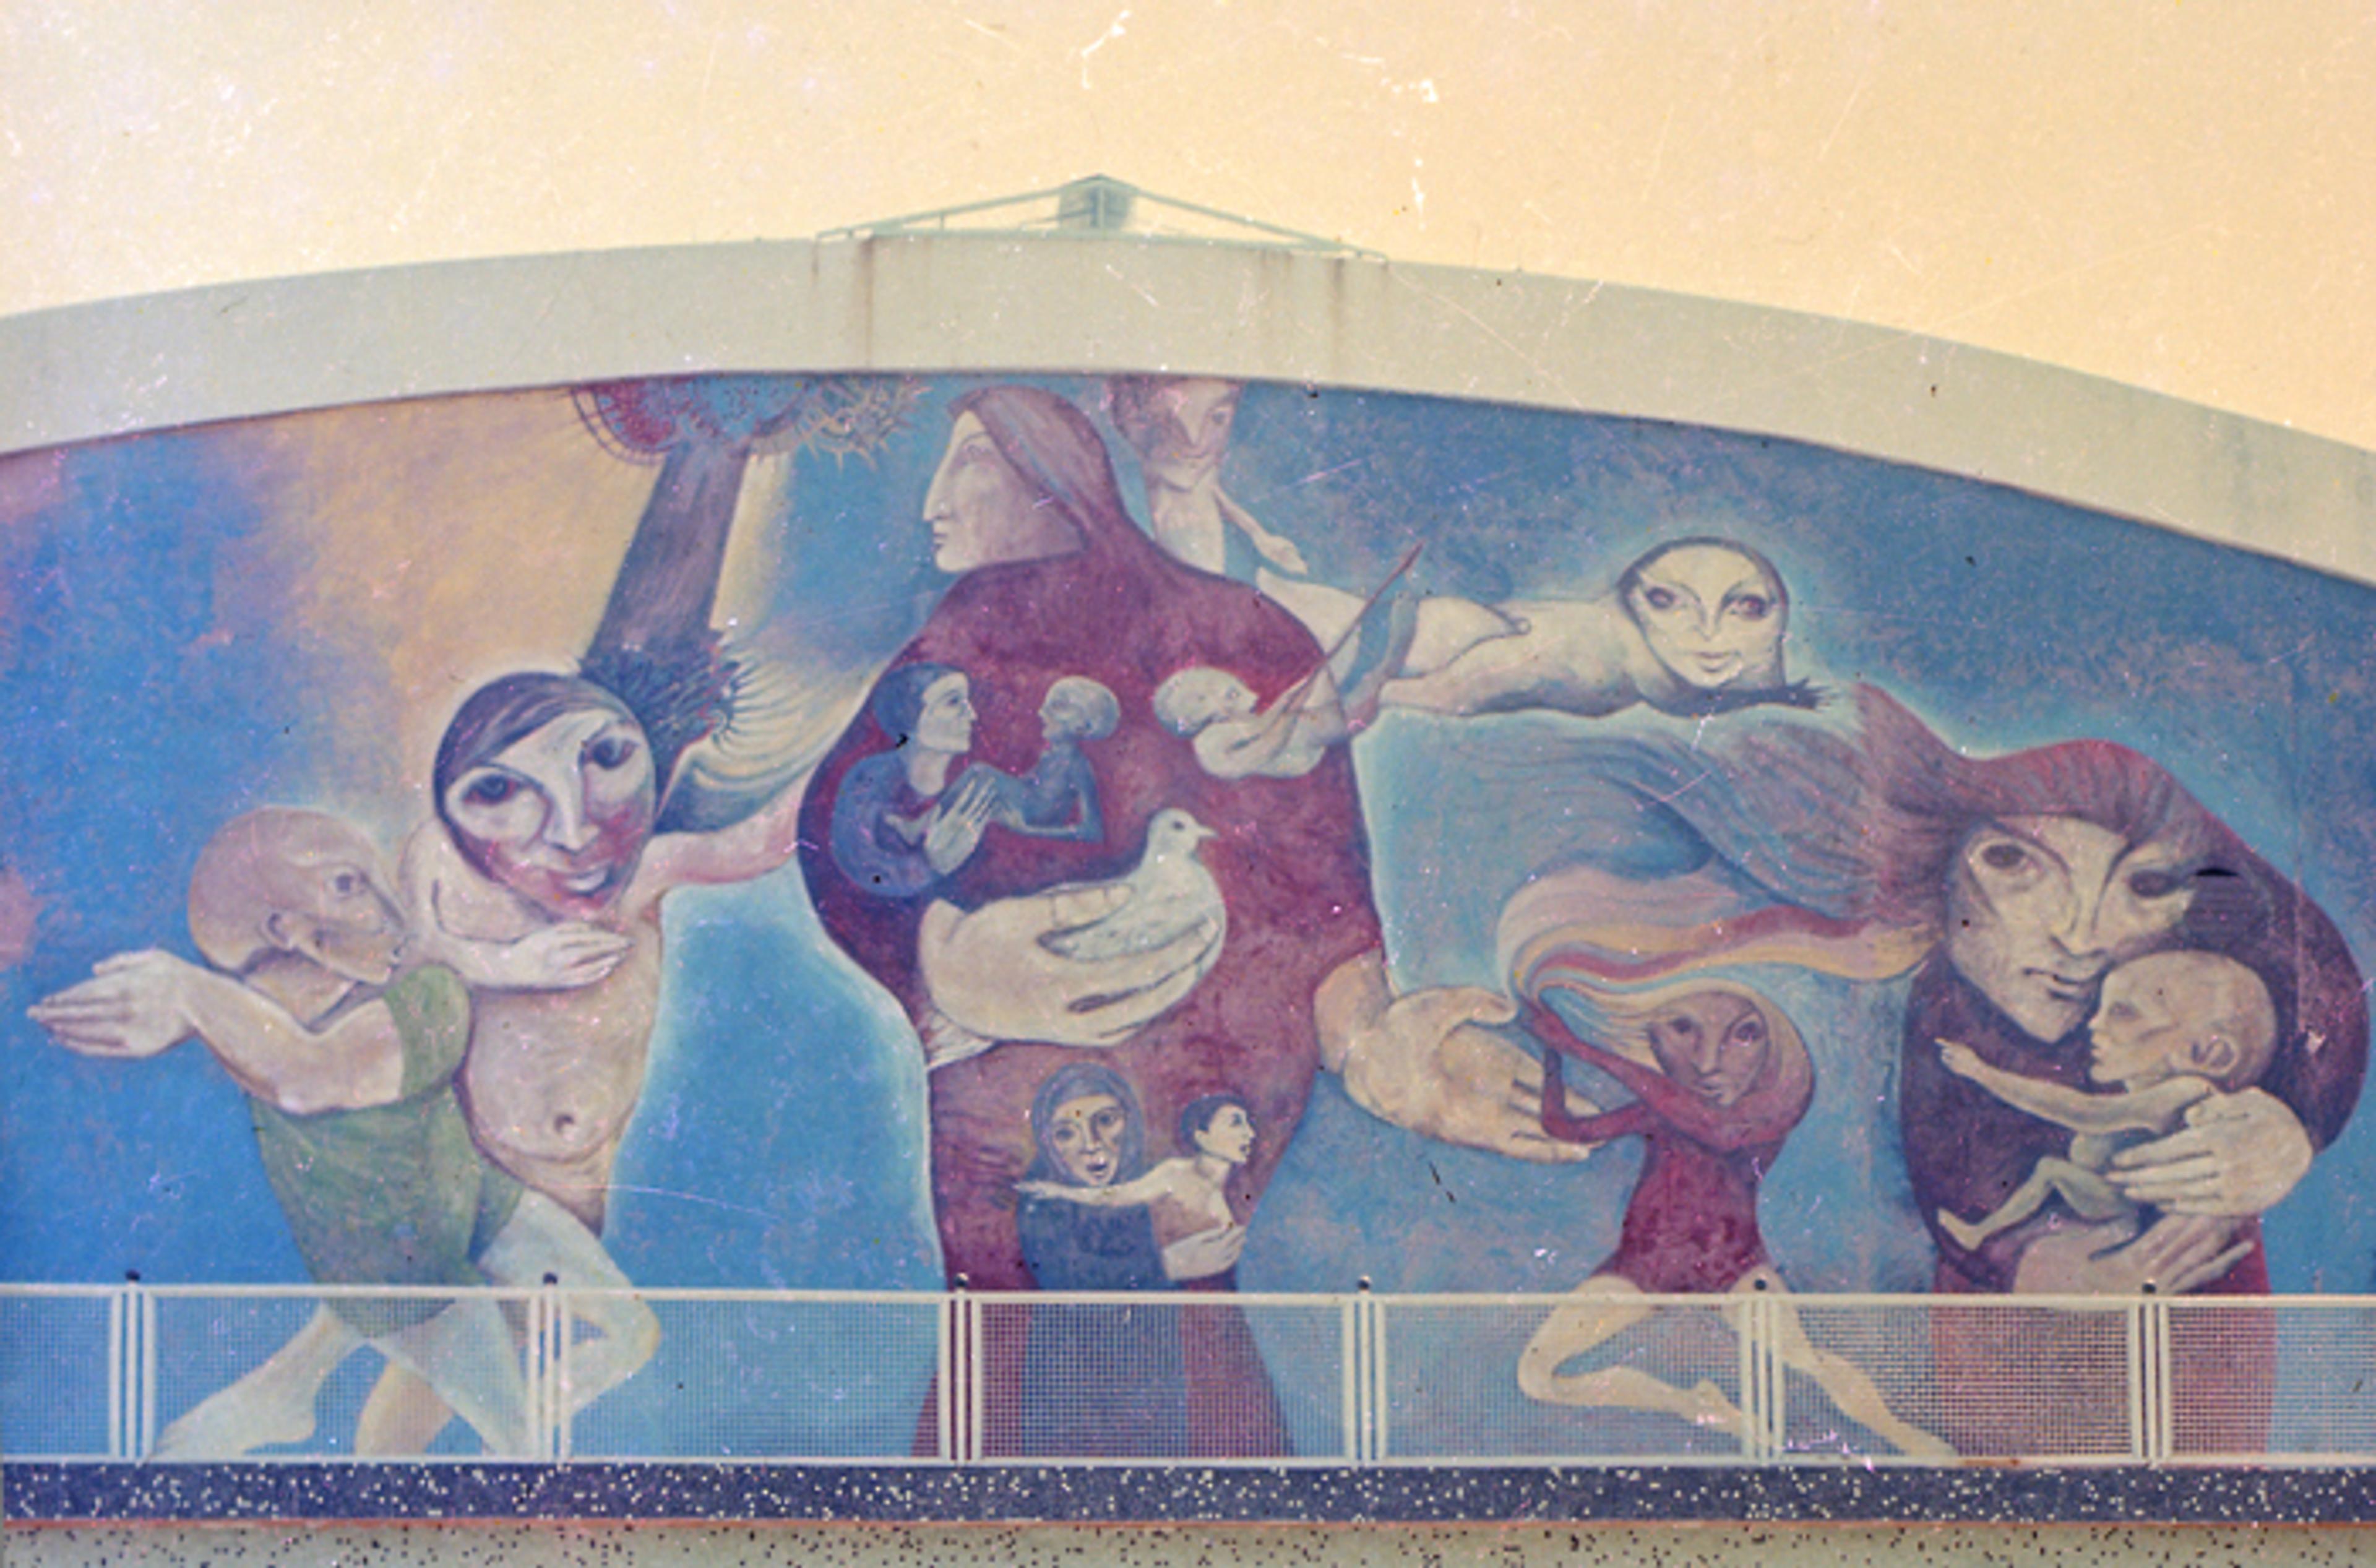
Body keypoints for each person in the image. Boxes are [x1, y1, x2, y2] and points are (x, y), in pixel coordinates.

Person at [800, 387, 1583, 1457]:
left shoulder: (1240, 634)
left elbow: (1310, 875)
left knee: (1188, 1316)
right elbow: (842, 837)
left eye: (971, 460)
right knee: (999, 1337)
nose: (936, 500)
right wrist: (941, 958)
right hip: (996, 1106)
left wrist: (1368, 1033)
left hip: (1196, 1090)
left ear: (1050, 477)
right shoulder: (944, 652)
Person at [28, 809, 656, 1458]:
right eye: (350, 886)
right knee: (521, 1451)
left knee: (633, 1331)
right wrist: (192, 1000)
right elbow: (300, 1069)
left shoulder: (410, 999)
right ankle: (290, 1396)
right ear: (288, 930)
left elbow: (314, 1070)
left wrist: (189, 994)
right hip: (408, 1281)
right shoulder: (261, 1030)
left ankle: (285, 1388)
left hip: (476, 1203)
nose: (392, 910)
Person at [1518, 973, 1949, 1457]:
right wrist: (1552, 1054)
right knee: (1537, 1374)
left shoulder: (1760, 1116)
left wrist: (1580, 1048)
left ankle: (1904, 1437)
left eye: (1744, 1035)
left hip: (1733, 1269)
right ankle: (1690, 1405)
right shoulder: (1663, 1110)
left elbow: (1715, 1129)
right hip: (1642, 1267)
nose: (1708, 1064)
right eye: (1684, 1030)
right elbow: (1563, 1127)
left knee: (1809, 1362)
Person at [1933, 950, 2279, 1254]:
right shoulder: (2155, 1086)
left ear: (2208, 1053)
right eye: (2101, 1009)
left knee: (2050, 1171)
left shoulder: (2188, 1092)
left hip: (2127, 1209)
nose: (2094, 1025)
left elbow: (2084, 1112)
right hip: (2121, 1203)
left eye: (2124, 1013)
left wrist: (1983, 1074)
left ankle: (1979, 1233)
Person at [1381, 536, 1822, 720]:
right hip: (1417, 639)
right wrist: (1380, 694)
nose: (1708, 633)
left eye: (1746, 608)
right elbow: (1451, 691)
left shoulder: (1741, 678)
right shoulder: (1586, 654)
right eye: (1667, 601)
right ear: (1632, 600)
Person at [1012, 1062, 1192, 1457]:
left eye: (1106, 1121)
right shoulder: (1042, 1195)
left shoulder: (1143, 1184)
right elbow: (1066, 1278)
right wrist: (1164, 1267)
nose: (1091, 1145)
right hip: (1070, 1367)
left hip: (1145, 1363)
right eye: (1066, 1133)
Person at [1020, 1091, 1258, 1284]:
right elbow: (1112, 1196)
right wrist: (1060, 1192)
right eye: (1236, 1124)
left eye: (1106, 1121)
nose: (1250, 1134)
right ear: (1202, 1137)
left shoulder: (1234, 1191)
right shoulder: (1173, 1173)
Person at [827, 662, 1002, 898]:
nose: (971, 715)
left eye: (967, 702)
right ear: (909, 715)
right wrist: (930, 865)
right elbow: (862, 866)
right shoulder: (869, 779)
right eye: (953, 702)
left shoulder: (973, 784)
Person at [992, 676, 1116, 841]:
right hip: (1026, 805)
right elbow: (1025, 785)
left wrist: (1027, 831)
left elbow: (1092, 830)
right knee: (984, 780)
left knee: (981, 773)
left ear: (1083, 725)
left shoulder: (1078, 765)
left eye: (1058, 706)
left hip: (1036, 817)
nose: (1042, 713)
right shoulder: (1049, 756)